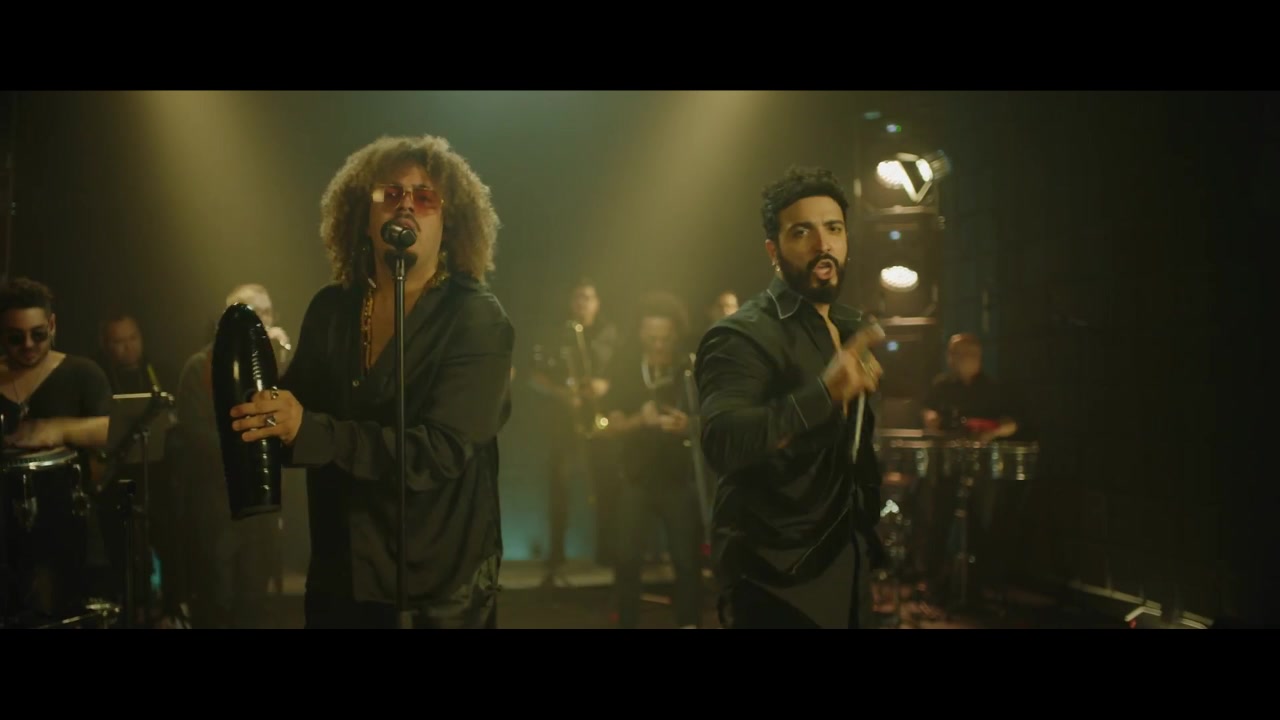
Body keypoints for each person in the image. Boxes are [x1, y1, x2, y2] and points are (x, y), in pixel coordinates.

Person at [227, 134, 514, 629]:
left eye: (425, 197)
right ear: (364, 214)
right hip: (342, 573)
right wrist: (257, 403)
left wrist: (310, 430)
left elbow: (439, 452)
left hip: (437, 582)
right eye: (390, 193)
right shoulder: (332, 308)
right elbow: (296, 431)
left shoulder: (476, 318)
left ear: (448, 222)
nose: (406, 205)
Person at [695, 167, 886, 629]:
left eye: (834, 229)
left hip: (847, 562)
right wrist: (822, 394)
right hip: (774, 577)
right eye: (802, 232)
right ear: (773, 251)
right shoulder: (741, 335)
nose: (823, 244)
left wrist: (867, 539)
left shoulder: (848, 327)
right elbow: (723, 441)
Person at [171, 284, 291, 628]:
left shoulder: (271, 362)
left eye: (267, 312)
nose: (263, 320)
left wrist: (282, 362)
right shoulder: (201, 366)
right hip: (217, 499)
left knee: (255, 593)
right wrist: (248, 445)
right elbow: (194, 432)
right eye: (254, 313)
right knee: (218, 593)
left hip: (260, 501)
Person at [0, 277, 113, 622]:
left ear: (52, 324)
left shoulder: (81, 373)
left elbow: (114, 428)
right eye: (15, 338)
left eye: (38, 334)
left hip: (65, 525)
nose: (28, 345)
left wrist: (57, 429)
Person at [601, 291, 703, 629]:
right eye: (651, 337)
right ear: (640, 333)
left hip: (679, 478)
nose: (658, 344)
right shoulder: (626, 368)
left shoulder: (689, 368)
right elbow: (608, 426)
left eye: (665, 337)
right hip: (636, 478)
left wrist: (689, 424)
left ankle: (689, 623)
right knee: (627, 559)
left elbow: (714, 417)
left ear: (676, 333)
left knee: (687, 561)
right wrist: (638, 421)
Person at [918, 332, 1025, 608]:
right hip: (947, 463)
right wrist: (931, 419)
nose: (955, 359)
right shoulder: (941, 385)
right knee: (939, 519)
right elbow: (927, 411)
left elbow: (1013, 422)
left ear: (976, 357)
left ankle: (982, 583)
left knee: (982, 522)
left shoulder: (992, 388)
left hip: (982, 467)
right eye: (952, 354)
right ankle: (933, 580)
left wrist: (992, 432)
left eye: (962, 354)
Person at [527, 278, 620, 580]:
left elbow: (622, 373)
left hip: (601, 420)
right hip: (564, 421)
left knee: (606, 485)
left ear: (598, 302)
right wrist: (562, 393)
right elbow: (534, 375)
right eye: (578, 297)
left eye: (588, 297)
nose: (582, 303)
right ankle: (557, 552)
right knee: (560, 486)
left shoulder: (610, 334)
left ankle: (606, 550)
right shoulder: (557, 333)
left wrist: (603, 386)